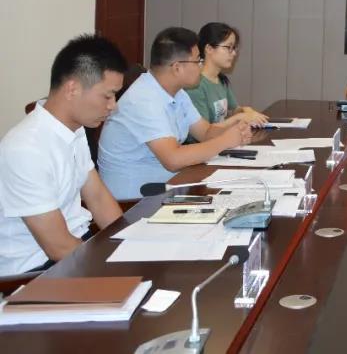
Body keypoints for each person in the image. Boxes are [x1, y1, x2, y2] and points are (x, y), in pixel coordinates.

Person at [0, 35, 127, 275]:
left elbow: (98, 198)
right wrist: (115, 268)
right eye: (108, 96)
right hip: (37, 272)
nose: (113, 106)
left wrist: (128, 244)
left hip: (79, 246)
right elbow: (57, 247)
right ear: (72, 89)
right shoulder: (25, 149)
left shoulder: (74, 129)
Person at [98, 27, 253, 199]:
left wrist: (236, 131)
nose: (201, 66)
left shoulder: (177, 93)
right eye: (198, 61)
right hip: (135, 201)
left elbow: (205, 132)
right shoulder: (143, 99)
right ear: (177, 68)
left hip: (168, 186)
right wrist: (225, 140)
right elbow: (173, 160)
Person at [185, 22, 268, 127]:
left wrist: (244, 110)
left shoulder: (221, 79)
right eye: (228, 47)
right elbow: (204, 131)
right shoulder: (195, 85)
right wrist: (239, 117)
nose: (234, 53)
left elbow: (233, 110)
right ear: (209, 48)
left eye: (234, 48)